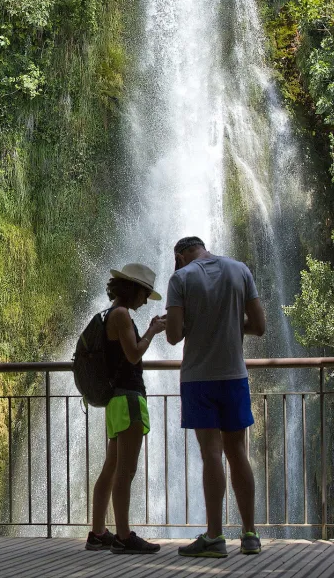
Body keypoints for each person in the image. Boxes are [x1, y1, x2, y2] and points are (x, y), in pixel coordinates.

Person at [165, 236, 266, 557]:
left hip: (198, 379)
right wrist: (232, 324)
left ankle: (215, 537)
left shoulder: (180, 278)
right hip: (234, 376)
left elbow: (173, 336)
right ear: (203, 247)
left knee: (211, 454)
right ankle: (250, 535)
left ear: (180, 257)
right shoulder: (240, 270)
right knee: (238, 453)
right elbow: (260, 326)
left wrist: (193, 323)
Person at [86, 263, 166, 554]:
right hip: (129, 398)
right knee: (126, 470)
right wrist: (153, 331)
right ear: (134, 290)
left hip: (116, 401)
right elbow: (133, 355)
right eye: (145, 294)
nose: (145, 300)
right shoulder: (121, 315)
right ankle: (123, 536)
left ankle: (97, 532)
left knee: (111, 467)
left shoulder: (111, 314)